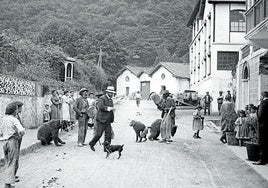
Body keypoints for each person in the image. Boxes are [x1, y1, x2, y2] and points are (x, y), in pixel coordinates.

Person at [0, 103, 25, 188]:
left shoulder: (3, 119)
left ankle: (9, 183)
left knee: (7, 161)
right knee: (13, 162)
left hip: (4, 142)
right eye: (16, 110)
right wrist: (19, 135)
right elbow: (22, 130)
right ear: (14, 111)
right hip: (12, 141)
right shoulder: (14, 120)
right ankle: (7, 184)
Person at [89, 86, 116, 151]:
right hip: (101, 119)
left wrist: (112, 118)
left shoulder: (111, 100)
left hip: (108, 120)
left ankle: (106, 148)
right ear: (108, 92)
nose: (112, 94)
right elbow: (101, 107)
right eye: (111, 93)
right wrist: (110, 108)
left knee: (108, 135)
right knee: (99, 134)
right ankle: (91, 143)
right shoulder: (102, 98)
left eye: (113, 93)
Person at [7, 101, 24, 183]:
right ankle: (11, 177)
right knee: (14, 158)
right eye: (20, 108)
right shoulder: (15, 118)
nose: (20, 109)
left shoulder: (16, 116)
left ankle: (13, 174)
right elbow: (21, 129)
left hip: (15, 139)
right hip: (14, 139)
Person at [254, 91, 268, 165]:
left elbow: (260, 113)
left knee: (262, 142)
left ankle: (262, 159)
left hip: (263, 125)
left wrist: (259, 120)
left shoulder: (263, 103)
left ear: (262, 96)